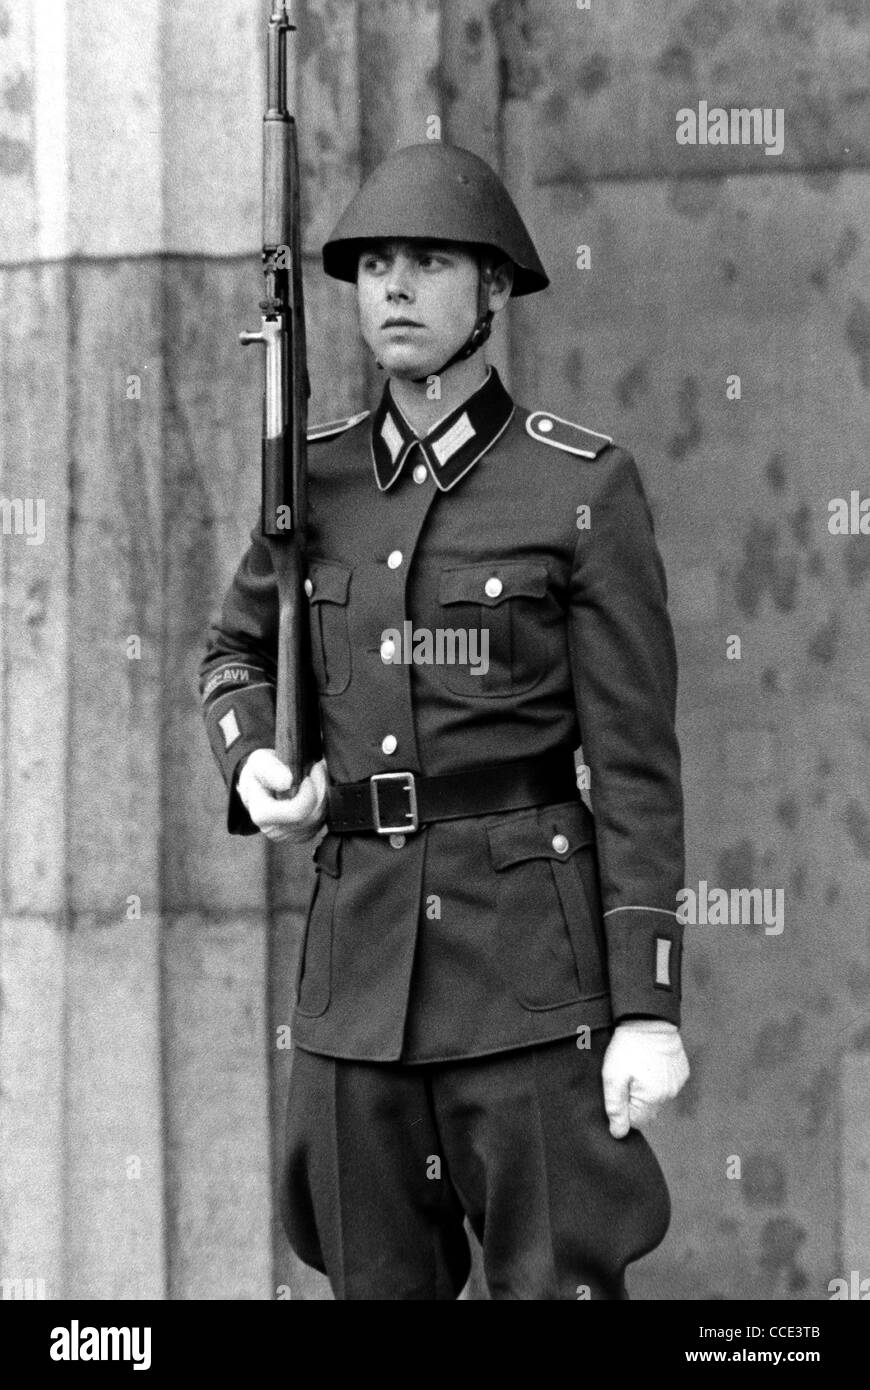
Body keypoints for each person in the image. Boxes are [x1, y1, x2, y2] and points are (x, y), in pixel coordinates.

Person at [199, 142, 690, 1301]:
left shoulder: (579, 486)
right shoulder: (311, 481)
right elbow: (232, 650)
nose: (396, 288)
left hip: (526, 976)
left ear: (496, 292)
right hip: (353, 974)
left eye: (428, 262)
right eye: (374, 265)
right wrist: (257, 755)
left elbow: (633, 766)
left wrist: (648, 1006)